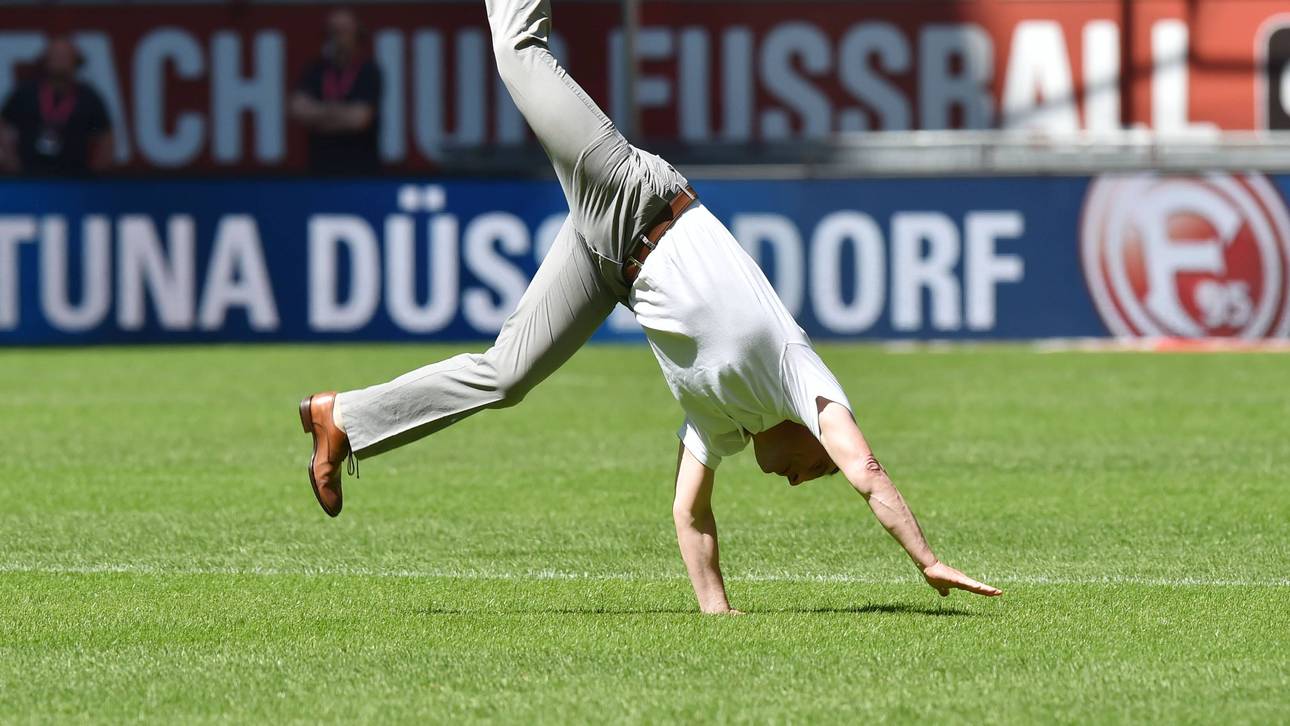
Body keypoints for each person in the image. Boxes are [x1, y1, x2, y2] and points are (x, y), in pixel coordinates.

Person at [299, 0, 1002, 613]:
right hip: (635, 195)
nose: (804, 477)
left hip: (609, 266)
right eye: (819, 467)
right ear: (810, 431)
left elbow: (689, 516)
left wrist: (718, 615)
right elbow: (868, 471)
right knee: (520, 50)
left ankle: (344, 420)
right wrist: (925, 559)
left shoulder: (722, 422)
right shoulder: (798, 373)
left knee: (506, 376)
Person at [0, 35, 113, 176]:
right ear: (45, 60)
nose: (59, 60)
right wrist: (11, 162)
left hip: (75, 179)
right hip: (29, 178)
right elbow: (3, 124)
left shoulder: (89, 97)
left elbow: (106, 136)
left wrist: (95, 176)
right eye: (55, 55)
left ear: (76, 60)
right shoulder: (25, 92)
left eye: (64, 56)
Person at [289, 7, 382, 175]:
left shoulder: (368, 71)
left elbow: (359, 119)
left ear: (357, 34)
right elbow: (298, 111)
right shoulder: (315, 70)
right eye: (334, 31)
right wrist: (343, 113)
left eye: (344, 31)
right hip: (320, 170)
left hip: (361, 173)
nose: (339, 37)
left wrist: (318, 116)